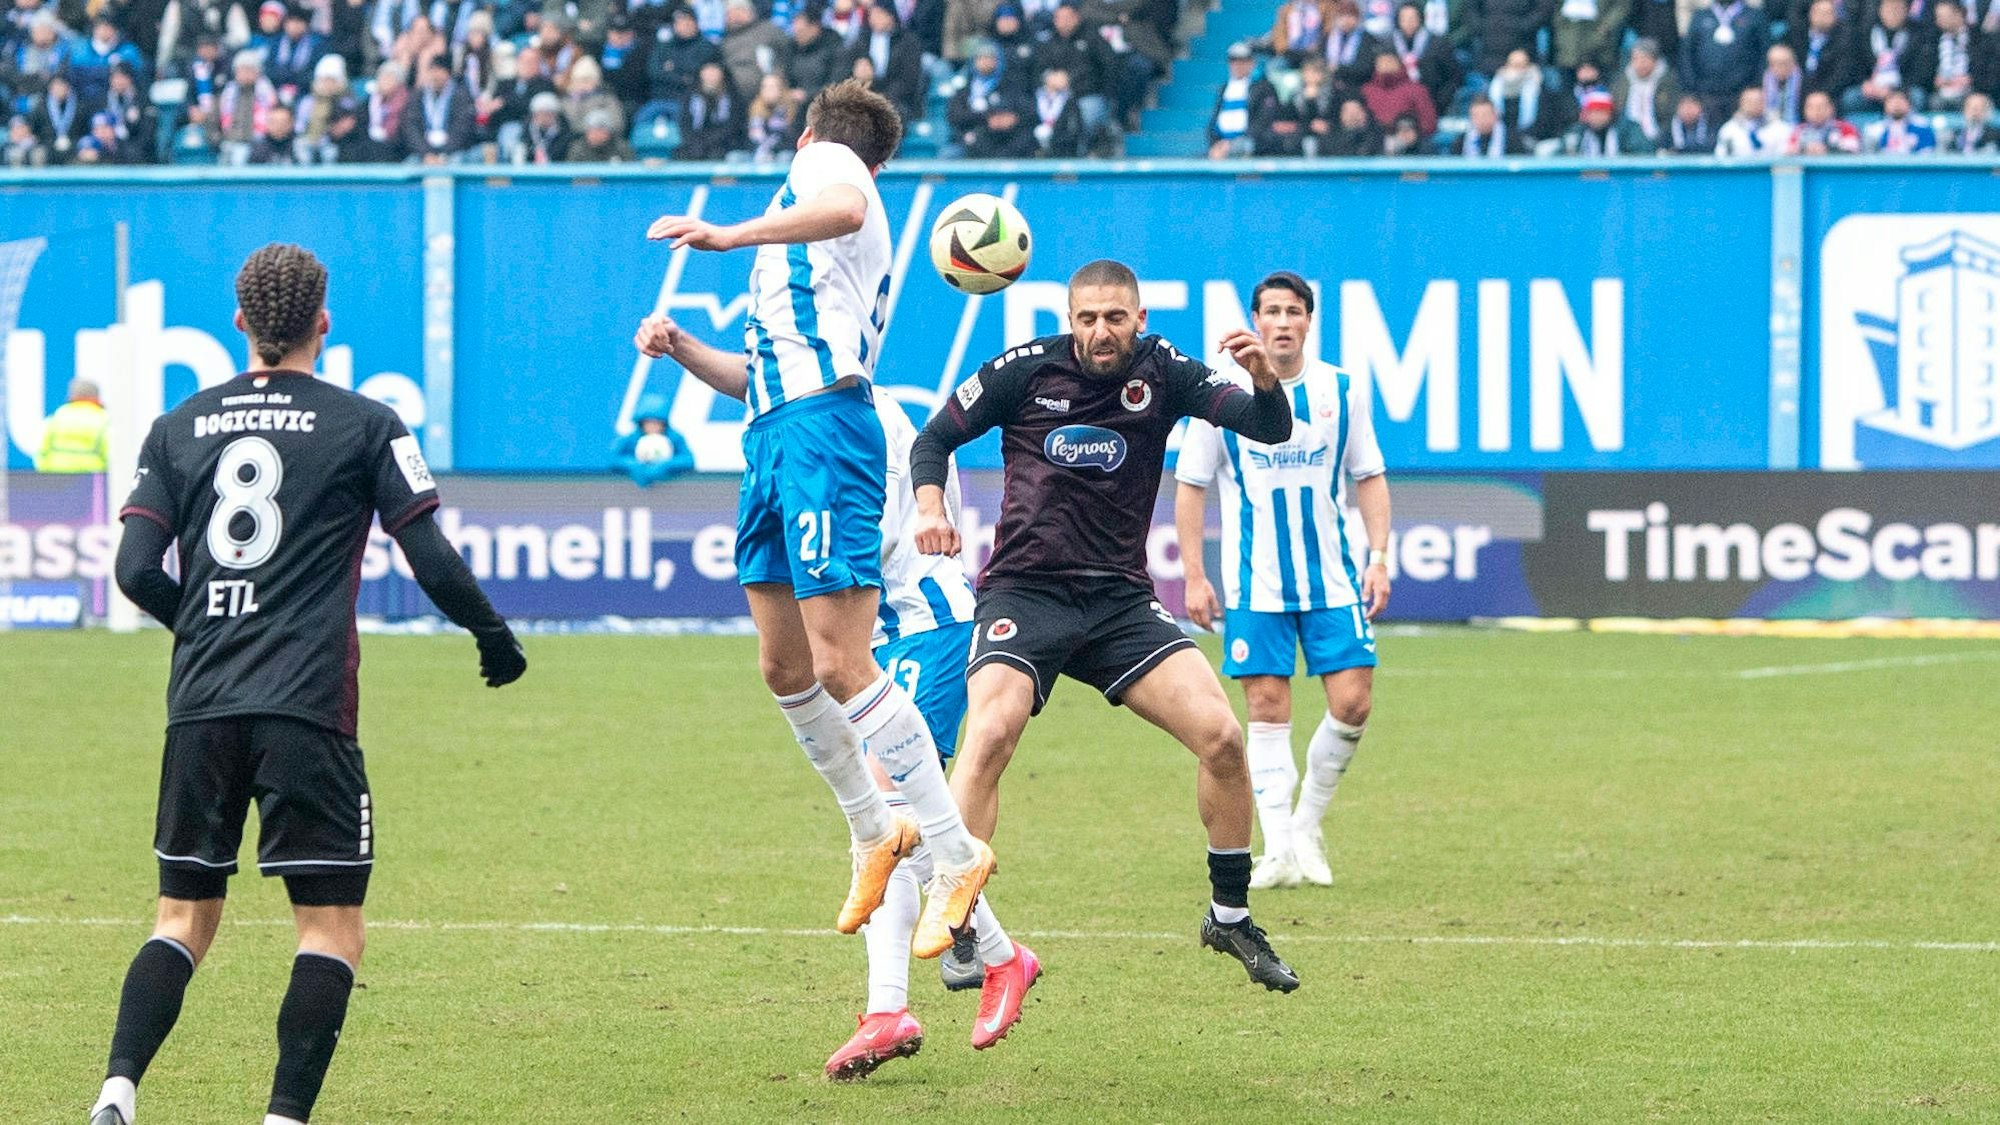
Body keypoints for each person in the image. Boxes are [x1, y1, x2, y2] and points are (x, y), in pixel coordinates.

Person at [86, 244, 525, 1125]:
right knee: (329, 931)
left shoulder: (179, 425)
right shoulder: (367, 422)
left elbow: (135, 569)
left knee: (181, 915)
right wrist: (492, 633)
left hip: (202, 706)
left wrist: (207, 628)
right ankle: (283, 1117)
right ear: (324, 320)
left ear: (240, 323)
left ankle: (117, 1092)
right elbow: (428, 552)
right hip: (308, 709)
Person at [638, 79, 996, 961]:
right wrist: (684, 348)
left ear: (806, 136)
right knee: (784, 663)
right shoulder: (804, 262)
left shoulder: (829, 170)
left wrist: (728, 233)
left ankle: (953, 852)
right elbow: (761, 372)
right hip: (773, 426)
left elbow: (840, 204)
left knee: (842, 660)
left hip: (818, 427)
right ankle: (875, 830)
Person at [632, 317, 1031, 1073]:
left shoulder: (849, 417)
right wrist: (682, 348)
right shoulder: (806, 401)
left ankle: (891, 1008)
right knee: (892, 823)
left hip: (928, 623)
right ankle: (1001, 958)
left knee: (893, 818)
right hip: (884, 635)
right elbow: (754, 383)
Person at [907, 259, 1303, 993]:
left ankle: (1229, 915)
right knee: (992, 731)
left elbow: (1268, 429)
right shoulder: (1023, 370)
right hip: (1024, 594)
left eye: (1114, 318)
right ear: (1070, 318)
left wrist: (1264, 379)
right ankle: (958, 917)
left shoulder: (1168, 371)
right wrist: (931, 507)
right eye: (1086, 317)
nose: (1099, 331)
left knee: (1221, 736)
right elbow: (930, 442)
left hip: (1119, 601)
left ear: (1140, 319)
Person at [1174, 272, 1390, 892]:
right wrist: (1194, 575)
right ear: (1256, 319)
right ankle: (1276, 846)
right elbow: (1191, 487)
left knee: (1353, 703)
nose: (1283, 322)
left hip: (1334, 580)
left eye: (1294, 311)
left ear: (1308, 320)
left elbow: (1369, 474)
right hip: (1253, 584)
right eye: (1271, 311)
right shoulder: (1223, 397)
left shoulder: (1340, 390)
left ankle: (1307, 826)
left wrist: (1379, 557)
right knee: (1265, 712)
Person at [612, 393, 695, 484]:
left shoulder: (674, 437)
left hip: (668, 489)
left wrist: (667, 465)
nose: (653, 427)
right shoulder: (631, 438)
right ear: (641, 423)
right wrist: (632, 464)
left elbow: (688, 460)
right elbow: (612, 457)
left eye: (657, 423)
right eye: (649, 423)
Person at [1613, 38, 1680, 145]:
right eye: (1636, 59)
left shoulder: (1668, 82)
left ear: (1655, 60)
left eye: (1644, 59)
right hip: (1627, 134)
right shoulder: (1622, 81)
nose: (1640, 64)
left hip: (1660, 136)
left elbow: (1670, 114)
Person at [35, 377, 109, 472]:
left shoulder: (57, 417)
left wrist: (47, 473)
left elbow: (41, 451)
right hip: (91, 480)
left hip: (56, 477)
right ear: (96, 397)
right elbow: (110, 454)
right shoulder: (103, 419)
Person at [1561, 88, 1655, 152]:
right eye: (1592, 112)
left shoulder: (1628, 129)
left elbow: (1643, 153)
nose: (1596, 117)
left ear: (1610, 114)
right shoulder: (1577, 132)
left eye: (1601, 112)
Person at [1714, 84, 1786, 155]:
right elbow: (1721, 157)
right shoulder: (1729, 130)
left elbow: (1784, 157)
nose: (1754, 105)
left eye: (1758, 101)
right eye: (1750, 101)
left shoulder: (1779, 128)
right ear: (1741, 103)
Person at [1787, 88, 1862, 151]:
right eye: (1811, 108)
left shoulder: (1846, 128)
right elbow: (1789, 150)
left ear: (1831, 108)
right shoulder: (1799, 130)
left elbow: (1853, 147)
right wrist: (1805, 149)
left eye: (1820, 107)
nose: (1816, 111)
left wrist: (1826, 148)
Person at [1865, 86, 1937, 149]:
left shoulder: (1922, 125)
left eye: (1900, 100)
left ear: (1909, 104)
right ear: (1885, 105)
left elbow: (1928, 151)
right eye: (1891, 101)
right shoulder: (1875, 130)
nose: (1896, 104)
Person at [1458, 92, 1528, 154]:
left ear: (1496, 115)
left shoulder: (1512, 140)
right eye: (1476, 116)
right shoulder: (1461, 142)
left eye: (1485, 115)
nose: (1481, 120)